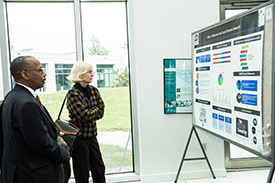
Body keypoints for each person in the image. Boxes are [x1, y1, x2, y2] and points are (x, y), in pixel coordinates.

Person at [1, 56, 68, 183]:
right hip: (33, 174)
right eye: (40, 70)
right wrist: (63, 152)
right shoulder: (26, 103)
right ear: (25, 74)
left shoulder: (12, 97)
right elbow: (40, 142)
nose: (45, 74)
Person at [67, 61, 105, 183]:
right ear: (79, 74)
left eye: (92, 71)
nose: (92, 74)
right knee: (82, 173)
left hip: (92, 137)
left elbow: (101, 111)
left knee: (99, 169)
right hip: (79, 140)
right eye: (89, 72)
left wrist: (91, 111)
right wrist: (94, 110)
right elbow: (83, 115)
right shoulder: (73, 93)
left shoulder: (94, 90)